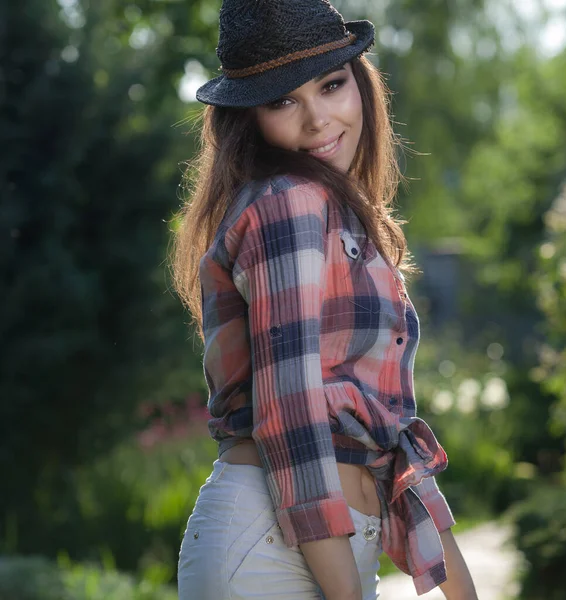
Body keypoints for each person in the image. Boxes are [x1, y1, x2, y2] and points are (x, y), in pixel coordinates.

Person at [171, 1, 478, 599]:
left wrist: (457, 586)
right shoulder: (288, 203)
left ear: (360, 83)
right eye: (282, 100)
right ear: (248, 119)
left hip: (318, 548)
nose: (316, 120)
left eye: (332, 85)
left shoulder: (343, 221)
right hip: (270, 549)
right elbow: (291, 415)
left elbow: (388, 437)